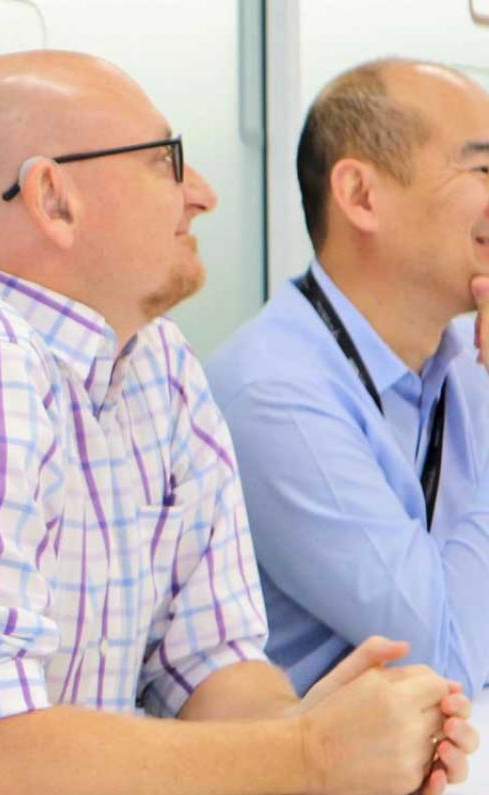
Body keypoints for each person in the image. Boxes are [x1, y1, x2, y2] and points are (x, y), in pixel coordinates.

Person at [0, 50, 476, 795]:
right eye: (167, 161)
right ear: (54, 199)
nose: (203, 193)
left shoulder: (156, 363)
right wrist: (311, 757)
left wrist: (327, 746)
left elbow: (211, 665)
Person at [209, 59, 489, 700]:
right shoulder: (273, 391)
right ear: (362, 195)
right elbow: (441, 657)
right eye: (481, 168)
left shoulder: (464, 364)